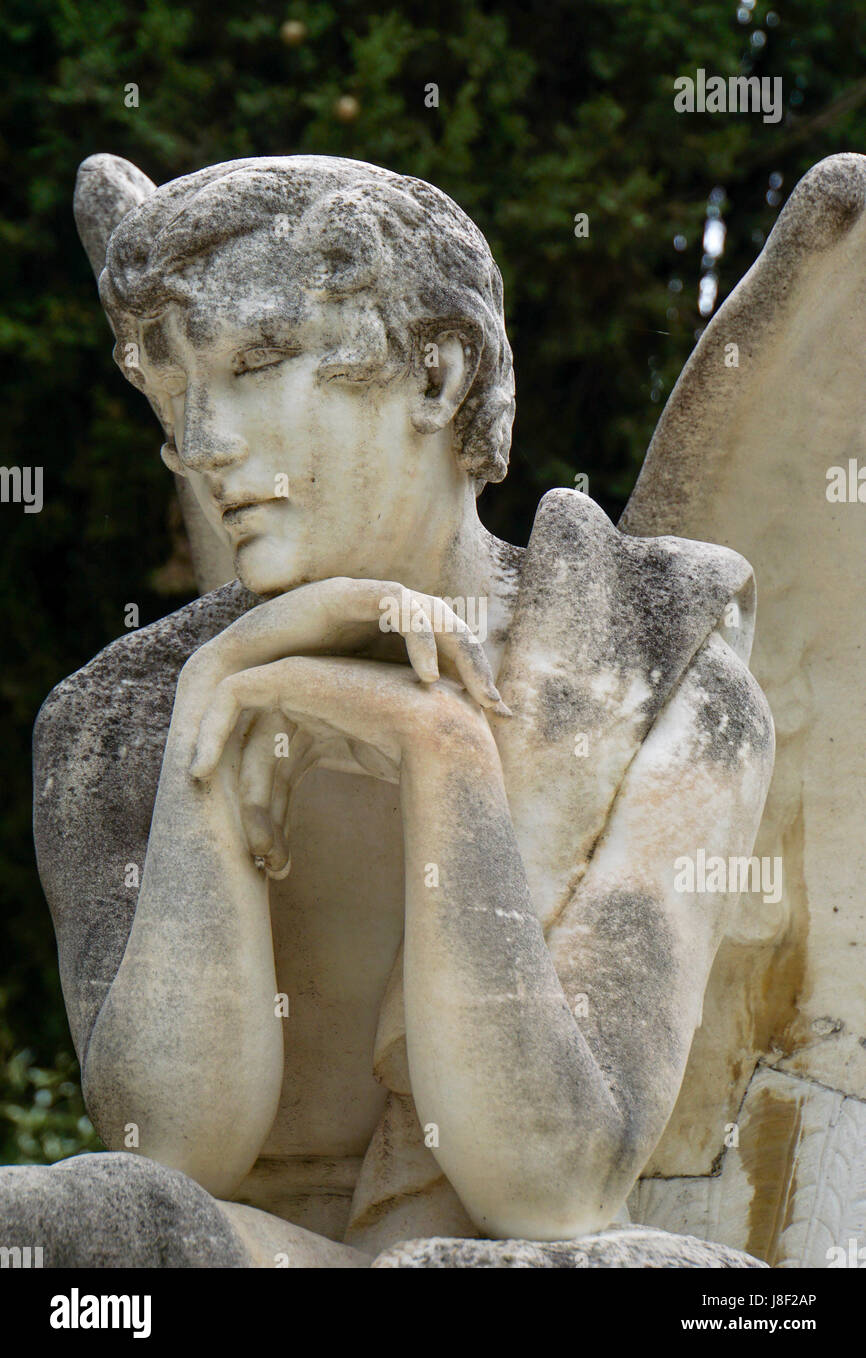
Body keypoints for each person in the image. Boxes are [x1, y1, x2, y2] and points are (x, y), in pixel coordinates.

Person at [14, 155, 773, 1266]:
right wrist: (206, 748)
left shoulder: (656, 663)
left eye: (257, 361)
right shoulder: (113, 719)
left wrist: (443, 745)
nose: (202, 443)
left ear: (436, 370)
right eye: (173, 396)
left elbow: (554, 1183)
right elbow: (164, 1158)